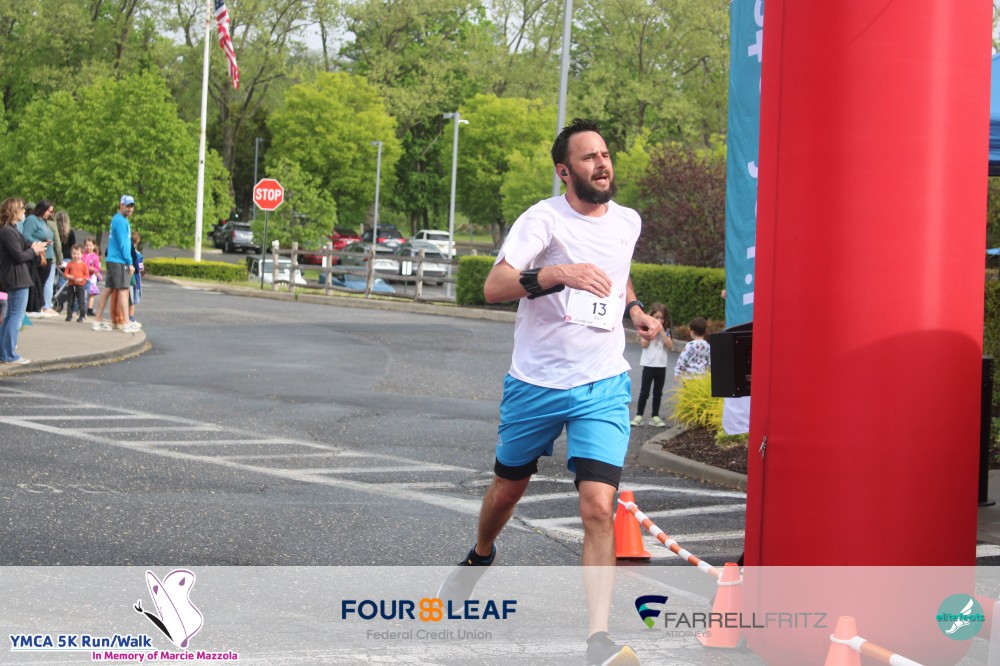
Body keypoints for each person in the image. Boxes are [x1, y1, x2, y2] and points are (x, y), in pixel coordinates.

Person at [438, 119, 661, 666]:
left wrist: (633, 309)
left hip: (602, 384)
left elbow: (618, 272)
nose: (602, 164)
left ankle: (598, 640)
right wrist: (557, 273)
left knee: (599, 508)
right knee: (507, 491)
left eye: (605, 154)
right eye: (588, 158)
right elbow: (494, 286)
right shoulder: (543, 219)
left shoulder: (627, 221)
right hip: (536, 384)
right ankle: (480, 555)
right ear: (565, 171)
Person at [0, 197, 47, 364]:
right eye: (21, 208)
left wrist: (35, 247)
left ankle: (4, 353)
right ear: (13, 211)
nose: (24, 211)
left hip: (15, 276)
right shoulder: (8, 231)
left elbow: (22, 248)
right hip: (16, 277)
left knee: (10, 316)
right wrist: (34, 251)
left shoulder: (12, 229)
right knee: (16, 317)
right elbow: (18, 256)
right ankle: (9, 354)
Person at [91, 195, 139, 333]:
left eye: (132, 206)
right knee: (123, 290)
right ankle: (126, 323)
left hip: (112, 259)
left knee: (108, 289)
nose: (130, 209)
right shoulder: (121, 221)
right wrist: (130, 262)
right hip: (119, 260)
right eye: (127, 206)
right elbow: (124, 244)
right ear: (121, 205)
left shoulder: (117, 219)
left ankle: (97, 320)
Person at [631, 302, 674, 428]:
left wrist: (662, 332)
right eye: (657, 317)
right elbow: (644, 344)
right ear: (651, 317)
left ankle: (655, 415)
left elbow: (670, 346)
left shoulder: (666, 331)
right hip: (648, 365)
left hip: (661, 366)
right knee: (644, 391)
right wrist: (651, 331)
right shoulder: (646, 329)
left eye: (662, 318)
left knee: (658, 393)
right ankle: (639, 415)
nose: (659, 320)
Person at [20, 200, 56, 317]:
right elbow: (26, 236)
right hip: (38, 256)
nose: (50, 214)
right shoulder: (32, 220)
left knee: (42, 283)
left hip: (47, 256)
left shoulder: (43, 221)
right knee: (36, 282)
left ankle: (37, 306)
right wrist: (40, 242)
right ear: (42, 209)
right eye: (49, 211)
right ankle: (31, 307)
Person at [674, 316, 711, 382]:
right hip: (703, 378)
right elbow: (710, 362)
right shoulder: (708, 346)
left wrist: (677, 373)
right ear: (705, 332)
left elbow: (682, 359)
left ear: (692, 332)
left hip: (689, 378)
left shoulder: (690, 345)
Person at [62, 244, 91, 322]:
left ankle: (82, 316)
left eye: (78, 254)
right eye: (74, 254)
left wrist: (81, 279)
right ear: (71, 254)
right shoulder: (69, 264)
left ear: (81, 255)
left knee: (81, 301)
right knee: (70, 301)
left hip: (80, 285)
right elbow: (65, 274)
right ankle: (69, 316)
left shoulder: (83, 265)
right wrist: (70, 276)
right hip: (71, 285)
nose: (76, 256)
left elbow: (86, 275)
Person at [82, 237, 102, 316]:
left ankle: (87, 310)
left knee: (89, 294)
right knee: (80, 294)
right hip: (81, 277)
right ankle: (79, 309)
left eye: (90, 245)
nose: (88, 247)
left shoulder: (95, 257)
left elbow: (97, 268)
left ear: (94, 246)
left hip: (89, 278)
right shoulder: (82, 254)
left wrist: (93, 269)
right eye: (86, 245)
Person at [128, 230, 145, 326]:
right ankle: (131, 317)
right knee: (133, 300)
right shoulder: (138, 254)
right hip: (134, 280)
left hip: (125, 277)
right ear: (137, 241)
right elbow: (139, 268)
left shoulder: (125, 252)